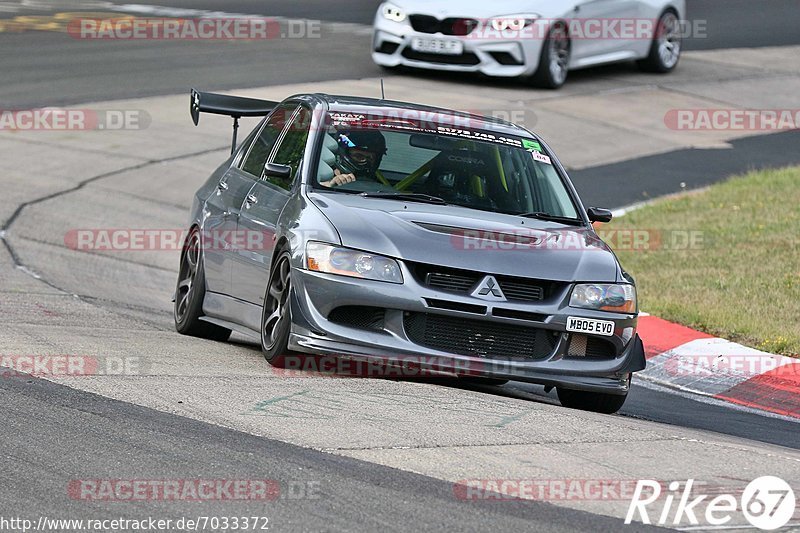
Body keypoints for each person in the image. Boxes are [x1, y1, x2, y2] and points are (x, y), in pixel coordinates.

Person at [320, 130, 387, 188]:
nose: (365, 161)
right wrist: (330, 185)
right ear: (341, 154)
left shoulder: (382, 188)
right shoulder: (319, 175)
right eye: (359, 156)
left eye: (371, 158)